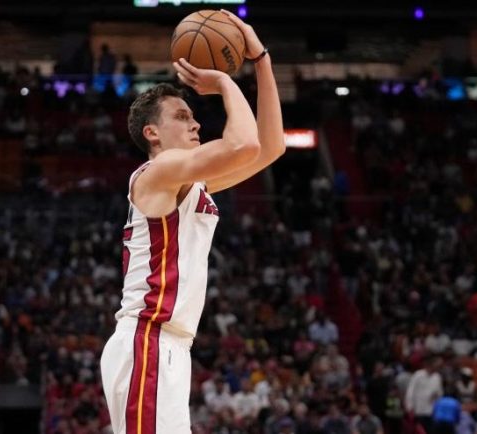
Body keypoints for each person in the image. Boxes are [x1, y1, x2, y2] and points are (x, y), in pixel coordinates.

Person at [100, 10, 285, 434]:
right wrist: (224, 82)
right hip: (148, 340)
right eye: (182, 116)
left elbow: (270, 147)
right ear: (152, 133)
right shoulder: (158, 172)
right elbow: (243, 143)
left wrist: (262, 60)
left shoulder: (187, 183)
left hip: (170, 347)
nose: (196, 122)